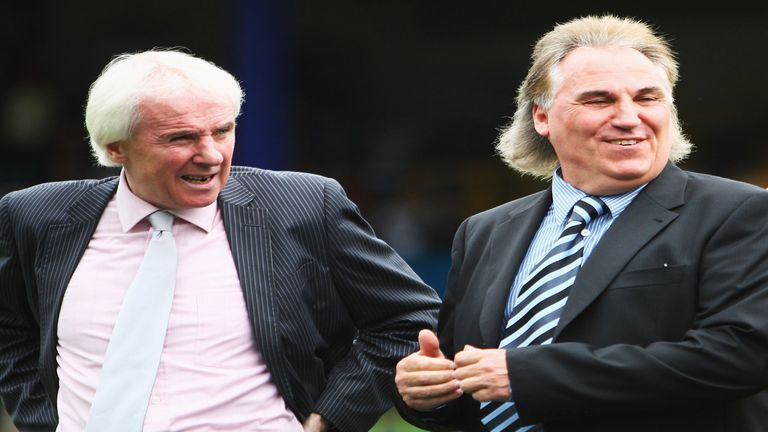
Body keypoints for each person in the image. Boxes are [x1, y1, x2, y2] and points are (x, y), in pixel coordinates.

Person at [0, 49, 441, 432]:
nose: (211, 154)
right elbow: (11, 329)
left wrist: (330, 417)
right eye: (182, 137)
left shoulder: (305, 204)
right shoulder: (37, 217)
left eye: (222, 131)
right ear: (116, 148)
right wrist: (45, 420)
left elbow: (407, 318)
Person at [394, 14, 768, 432]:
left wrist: (529, 375)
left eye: (647, 98)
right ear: (541, 117)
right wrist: (427, 393)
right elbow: (470, 375)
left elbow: (742, 355)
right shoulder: (484, 231)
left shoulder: (741, 212)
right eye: (599, 100)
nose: (629, 117)